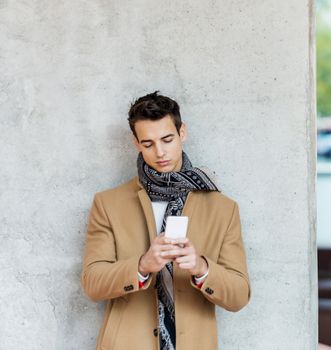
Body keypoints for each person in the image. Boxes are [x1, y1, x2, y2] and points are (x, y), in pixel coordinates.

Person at [81, 91, 250, 350]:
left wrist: (201, 267)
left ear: (182, 133)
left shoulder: (223, 208)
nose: (160, 152)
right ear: (136, 143)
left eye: (167, 139)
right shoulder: (108, 204)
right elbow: (92, 284)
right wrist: (142, 265)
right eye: (148, 143)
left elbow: (239, 296)